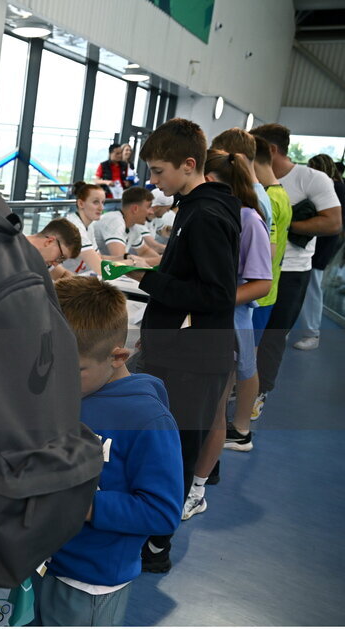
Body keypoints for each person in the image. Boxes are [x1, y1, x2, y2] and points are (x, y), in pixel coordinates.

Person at [124, 118, 239, 573]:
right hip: (176, 350)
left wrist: (147, 278)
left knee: (176, 450)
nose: (153, 182)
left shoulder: (208, 215)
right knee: (157, 444)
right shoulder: (193, 207)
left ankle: (158, 545)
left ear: (189, 165)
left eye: (158, 172)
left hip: (193, 359)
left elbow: (215, 294)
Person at [36, 276, 181, 626]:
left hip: (91, 582)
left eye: (72, 371)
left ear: (117, 356)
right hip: (40, 562)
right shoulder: (74, 392)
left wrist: (81, 506)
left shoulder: (148, 420)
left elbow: (161, 512)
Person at [185, 150, 271, 513]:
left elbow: (261, 283)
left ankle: (197, 490)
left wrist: (215, 301)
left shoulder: (249, 220)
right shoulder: (203, 214)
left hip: (227, 327)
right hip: (198, 326)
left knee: (214, 412)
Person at [250, 124, 341, 413]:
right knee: (245, 334)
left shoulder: (312, 178)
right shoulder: (251, 178)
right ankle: (242, 386)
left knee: (272, 336)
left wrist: (285, 225)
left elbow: (333, 222)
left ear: (272, 150)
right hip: (253, 267)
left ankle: (259, 393)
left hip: (291, 271)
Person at [247, 135, 291, 373]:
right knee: (248, 354)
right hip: (269, 289)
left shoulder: (269, 199)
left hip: (258, 295)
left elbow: (267, 252)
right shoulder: (281, 194)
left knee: (244, 358)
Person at [293, 153, 345, 350]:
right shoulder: (331, 186)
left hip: (322, 245)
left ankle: (312, 333)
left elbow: (333, 222)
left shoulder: (335, 188)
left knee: (312, 287)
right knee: (306, 287)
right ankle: (306, 331)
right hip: (316, 244)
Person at [211, 128, 273, 230]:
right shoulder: (253, 193)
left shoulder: (254, 200)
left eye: (224, 161)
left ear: (240, 159)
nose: (220, 167)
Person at [91, 186, 162, 265]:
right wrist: (158, 261)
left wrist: (161, 263)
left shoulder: (134, 226)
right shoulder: (114, 221)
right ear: (135, 209)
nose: (152, 212)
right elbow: (122, 261)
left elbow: (144, 251)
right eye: (149, 207)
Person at [61, 182, 106, 276]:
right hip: (54, 283)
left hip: (70, 279)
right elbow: (100, 268)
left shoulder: (90, 225)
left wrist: (127, 258)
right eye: (96, 202)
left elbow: (98, 258)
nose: (101, 208)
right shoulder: (73, 226)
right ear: (81, 203)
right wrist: (132, 263)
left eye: (103, 202)